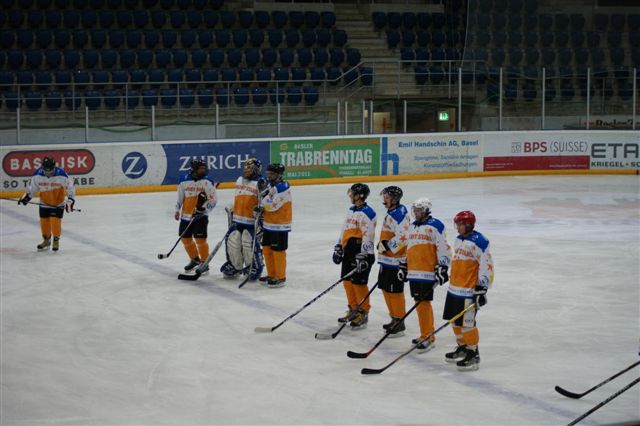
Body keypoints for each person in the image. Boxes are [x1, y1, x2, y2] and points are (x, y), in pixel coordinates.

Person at [443, 210, 494, 371]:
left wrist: (481, 288)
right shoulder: (459, 239)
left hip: (468, 291)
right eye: (457, 224)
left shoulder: (480, 242)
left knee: (467, 324)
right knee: (455, 321)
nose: (457, 228)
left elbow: (487, 266)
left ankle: (473, 353)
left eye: (460, 225)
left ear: (469, 225)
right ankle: (463, 347)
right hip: (454, 288)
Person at [404, 198, 451, 352]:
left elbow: (443, 247)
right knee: (419, 302)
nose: (416, 213)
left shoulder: (436, 225)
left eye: (419, 210)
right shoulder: (412, 226)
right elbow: (409, 247)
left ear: (426, 210)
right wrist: (404, 264)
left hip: (426, 271)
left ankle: (428, 336)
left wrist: (443, 266)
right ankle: (425, 334)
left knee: (423, 303)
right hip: (414, 271)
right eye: (415, 210)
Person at [332, 183, 377, 329]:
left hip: (360, 252)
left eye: (353, 194)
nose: (350, 196)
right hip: (349, 250)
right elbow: (344, 229)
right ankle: (353, 308)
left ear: (360, 196)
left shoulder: (368, 213)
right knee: (346, 280)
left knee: (358, 283)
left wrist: (364, 255)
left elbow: (368, 235)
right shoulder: (351, 210)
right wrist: (339, 246)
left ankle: (363, 312)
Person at [220, 157, 265, 281]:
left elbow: (265, 203)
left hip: (252, 222)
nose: (246, 170)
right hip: (238, 219)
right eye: (246, 167)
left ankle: (254, 266)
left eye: (250, 168)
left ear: (257, 170)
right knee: (233, 240)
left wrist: (261, 215)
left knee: (248, 241)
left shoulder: (261, 183)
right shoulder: (239, 180)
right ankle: (235, 265)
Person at [18, 156, 75, 252]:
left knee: (55, 222)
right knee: (44, 223)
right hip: (44, 202)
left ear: (54, 167)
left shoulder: (61, 174)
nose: (48, 173)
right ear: (42, 167)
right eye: (46, 170)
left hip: (58, 203)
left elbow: (70, 187)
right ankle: (46, 240)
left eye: (50, 170)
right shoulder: (37, 175)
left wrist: (70, 200)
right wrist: (27, 197)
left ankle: (56, 240)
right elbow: (33, 188)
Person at [376, 186, 411, 337]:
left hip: (396, 261)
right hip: (386, 259)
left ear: (395, 199)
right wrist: (383, 246)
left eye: (387, 197)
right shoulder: (392, 212)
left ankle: (399, 321)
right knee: (385, 288)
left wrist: (387, 245)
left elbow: (404, 236)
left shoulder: (400, 214)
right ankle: (394, 317)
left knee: (395, 291)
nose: (384, 200)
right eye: (384, 197)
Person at [175, 159, 218, 273]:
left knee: (200, 240)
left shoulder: (207, 181)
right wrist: (177, 210)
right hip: (186, 216)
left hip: (201, 217)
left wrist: (203, 208)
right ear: (193, 169)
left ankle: (205, 263)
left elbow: (213, 199)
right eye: (200, 168)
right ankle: (194, 259)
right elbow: (180, 197)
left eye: (204, 168)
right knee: (185, 238)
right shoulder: (184, 180)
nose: (203, 170)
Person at [254, 163, 292, 288]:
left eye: (272, 174)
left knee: (278, 251)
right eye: (268, 173)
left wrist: (262, 206)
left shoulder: (283, 187)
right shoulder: (271, 185)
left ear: (279, 175)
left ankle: (280, 277)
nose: (269, 176)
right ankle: (271, 274)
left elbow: (274, 205)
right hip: (269, 224)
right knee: (266, 249)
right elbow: (265, 201)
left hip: (280, 225)